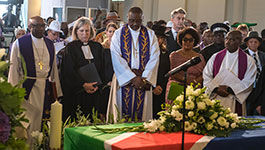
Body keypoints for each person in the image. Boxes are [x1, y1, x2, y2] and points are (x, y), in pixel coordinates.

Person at [8, 16, 62, 142]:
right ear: (30, 27)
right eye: (37, 26)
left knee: (43, 121)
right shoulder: (20, 43)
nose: (41, 28)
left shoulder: (49, 44)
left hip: (45, 88)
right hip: (27, 87)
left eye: (43, 25)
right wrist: (13, 92)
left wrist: (57, 91)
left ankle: (40, 144)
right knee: (28, 121)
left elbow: (53, 68)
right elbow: (14, 69)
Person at [107, 7, 160, 122]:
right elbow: (116, 57)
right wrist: (132, 78)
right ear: (127, 18)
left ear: (143, 19)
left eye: (138, 20)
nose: (135, 24)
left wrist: (144, 78)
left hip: (143, 80)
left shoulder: (150, 35)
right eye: (132, 20)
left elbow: (155, 57)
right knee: (121, 115)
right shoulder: (118, 34)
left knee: (142, 118)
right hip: (123, 81)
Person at [60, 17, 105, 121]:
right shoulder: (70, 48)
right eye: (81, 31)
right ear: (76, 31)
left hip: (95, 92)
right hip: (77, 93)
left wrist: (97, 85)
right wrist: (83, 85)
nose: (85, 34)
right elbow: (68, 71)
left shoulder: (97, 47)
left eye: (87, 30)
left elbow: (102, 67)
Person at [203, 30, 257, 116]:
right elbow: (206, 76)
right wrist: (216, 89)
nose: (228, 42)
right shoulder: (215, 57)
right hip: (216, 97)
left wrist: (229, 89)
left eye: (232, 40)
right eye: (227, 39)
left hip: (235, 100)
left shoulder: (248, 60)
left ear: (240, 41)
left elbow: (248, 82)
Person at [165, 27, 205, 102]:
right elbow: (171, 72)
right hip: (177, 87)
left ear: (194, 41)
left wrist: (194, 81)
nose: (188, 42)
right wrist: (186, 80)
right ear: (181, 41)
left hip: (194, 87)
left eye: (190, 40)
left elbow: (203, 74)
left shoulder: (199, 57)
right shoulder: (174, 55)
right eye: (185, 40)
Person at [243, 31, 265, 114]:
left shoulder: (262, 55)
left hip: (259, 89)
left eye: (255, 42)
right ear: (247, 44)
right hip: (247, 87)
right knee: (246, 110)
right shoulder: (243, 55)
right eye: (251, 42)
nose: (253, 44)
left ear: (259, 44)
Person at [151, 24, 170, 119]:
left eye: (160, 38)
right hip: (149, 88)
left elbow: (167, 72)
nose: (158, 40)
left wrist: (161, 86)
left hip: (161, 88)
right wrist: (153, 86)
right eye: (156, 37)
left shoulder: (165, 53)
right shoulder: (146, 52)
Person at [101, 22, 118, 118]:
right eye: (110, 31)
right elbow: (101, 67)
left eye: (114, 31)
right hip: (105, 82)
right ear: (106, 33)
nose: (112, 34)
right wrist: (106, 82)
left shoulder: (119, 48)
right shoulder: (102, 48)